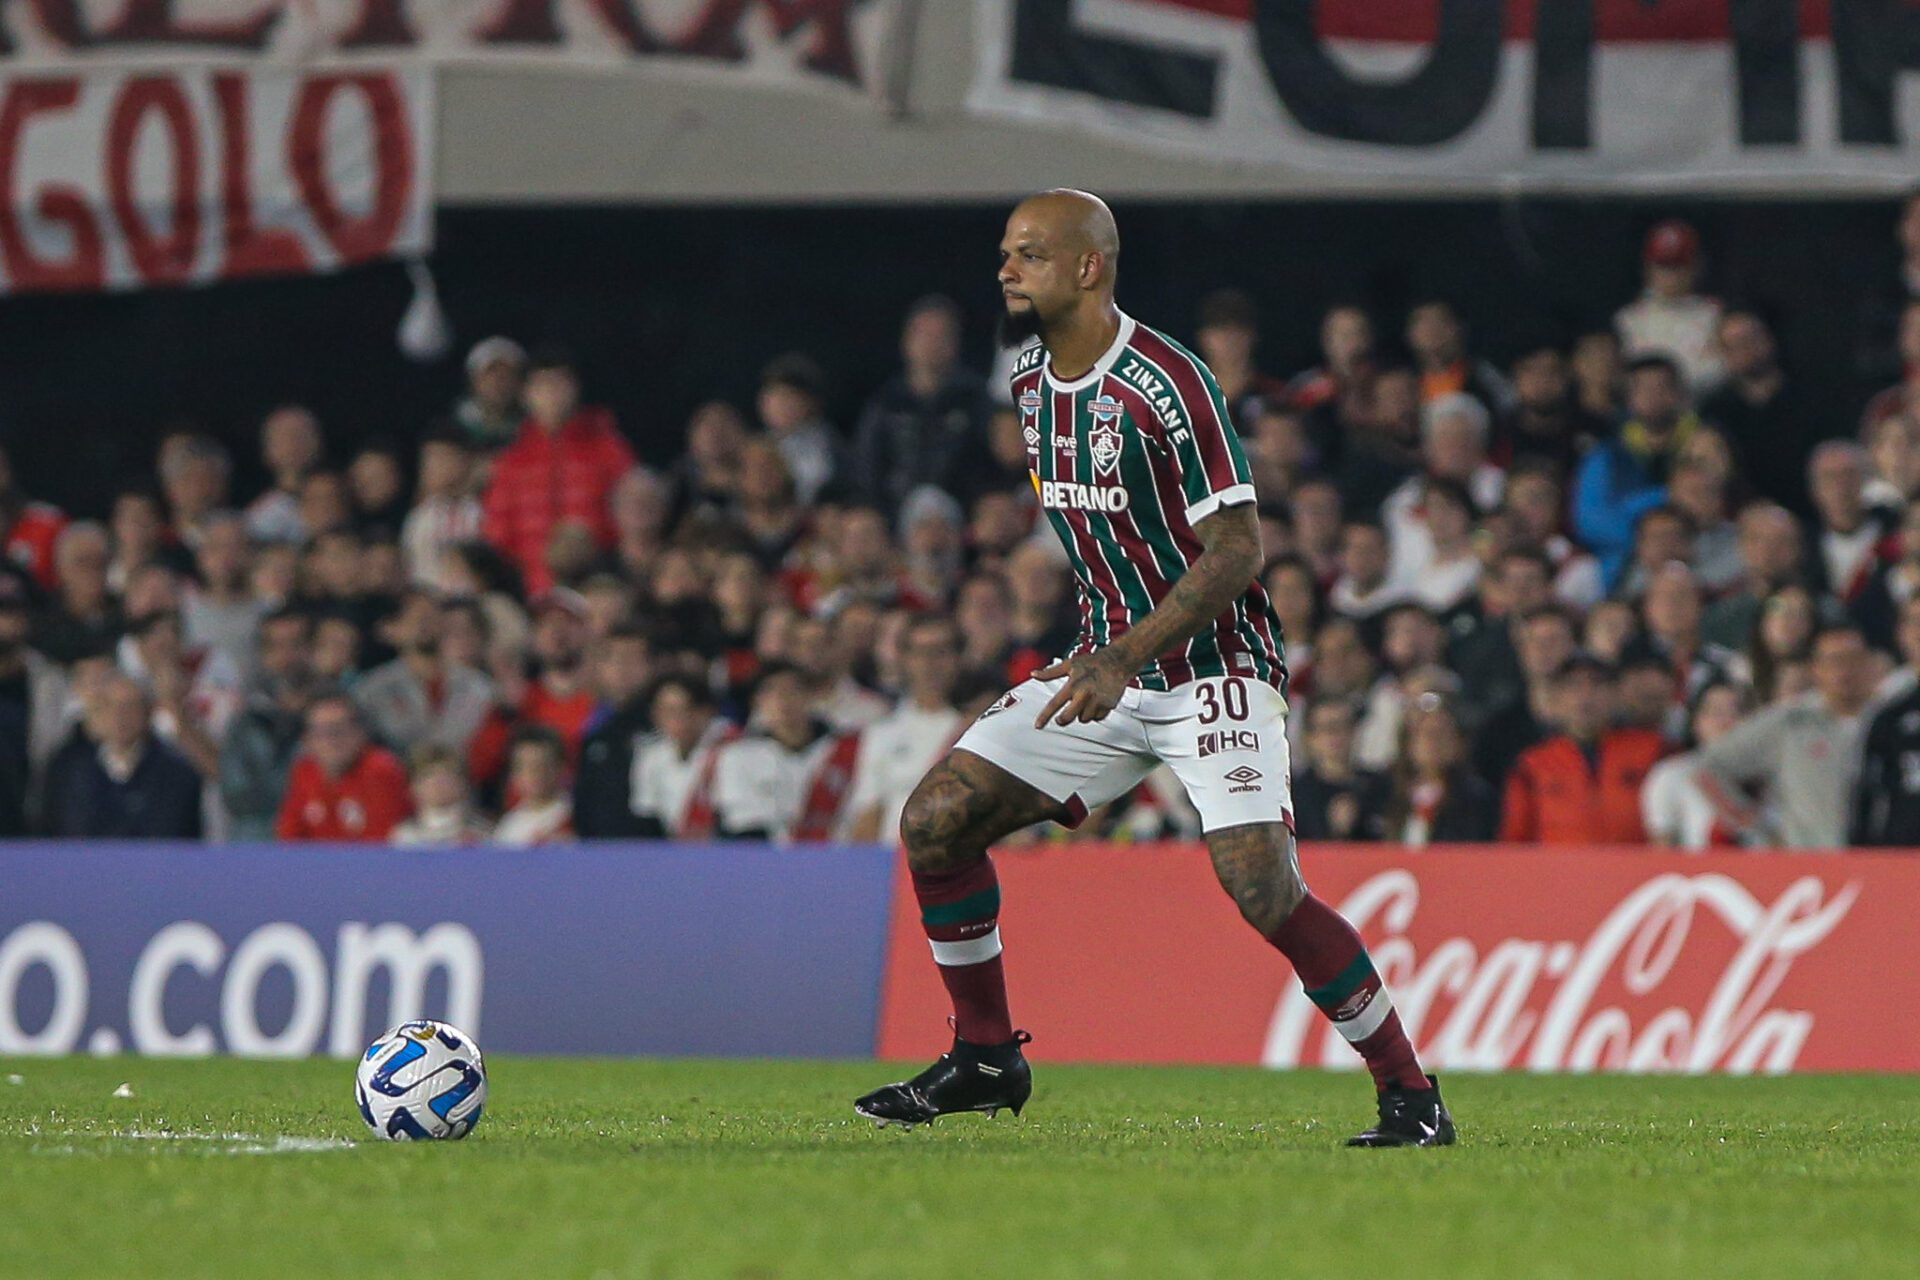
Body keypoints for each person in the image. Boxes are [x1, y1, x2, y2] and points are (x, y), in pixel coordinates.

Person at [856, 191, 1449, 1148]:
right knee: (935, 820)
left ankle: (1410, 1093)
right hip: (1105, 666)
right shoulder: (1027, 380)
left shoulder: (1169, 381)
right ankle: (986, 1054)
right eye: (1006, 253)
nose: (1006, 270)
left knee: (1261, 887)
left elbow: (1239, 550)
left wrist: (1126, 654)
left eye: (1031, 254)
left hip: (1215, 667)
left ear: (1089, 267)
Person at [1696, 624, 1876, 848]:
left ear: (1870, 664)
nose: (1844, 670)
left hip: (1887, 861)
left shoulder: (1894, 718)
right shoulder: (1790, 722)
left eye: (1852, 659)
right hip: (1811, 861)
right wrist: (1756, 828)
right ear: (1816, 668)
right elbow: (1708, 767)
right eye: (1833, 661)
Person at [481, 346, 635, 595]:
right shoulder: (512, 460)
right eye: (542, 385)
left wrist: (592, 550)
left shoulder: (609, 449)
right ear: (526, 394)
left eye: (560, 383)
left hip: (599, 582)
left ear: (576, 389)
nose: (552, 393)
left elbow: (630, 515)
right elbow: (497, 531)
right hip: (531, 589)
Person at [1500, 653, 1666, 845]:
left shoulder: (1654, 750)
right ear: (1556, 700)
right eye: (1573, 686)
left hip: (1638, 871)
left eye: (1597, 684)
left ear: (1616, 695)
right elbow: (1514, 841)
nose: (1585, 696)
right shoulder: (1531, 765)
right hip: (1559, 873)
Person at [853, 295, 995, 517]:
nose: (932, 345)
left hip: (960, 524)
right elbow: (868, 469)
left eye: (941, 336)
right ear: (907, 341)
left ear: (956, 343)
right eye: (925, 335)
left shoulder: (976, 401)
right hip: (896, 519)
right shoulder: (886, 403)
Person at [1574, 355, 1702, 589]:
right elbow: (1590, 521)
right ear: (1629, 398)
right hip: (1625, 570)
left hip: (1700, 562)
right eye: (1643, 389)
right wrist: (1666, 498)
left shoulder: (1706, 444)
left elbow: (1710, 513)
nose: (1653, 397)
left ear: (1680, 394)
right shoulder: (1608, 454)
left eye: (1662, 387)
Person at [708, 662, 860, 842]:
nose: (782, 700)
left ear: (810, 696)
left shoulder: (847, 749)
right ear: (757, 702)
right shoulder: (736, 756)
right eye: (771, 692)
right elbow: (743, 825)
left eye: (792, 691)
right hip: (766, 862)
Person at [846, 616, 965, 843]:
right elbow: (868, 814)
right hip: (895, 863)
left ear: (957, 659)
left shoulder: (975, 730)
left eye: (940, 651)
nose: (930, 662)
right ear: (905, 659)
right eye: (920, 652)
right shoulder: (881, 733)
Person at [46, 672, 202, 839]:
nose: (120, 717)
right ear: (96, 714)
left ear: (147, 713)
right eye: (110, 706)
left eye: (130, 707)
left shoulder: (177, 773)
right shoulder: (70, 770)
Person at [1698, 309, 1815, 517]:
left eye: (1750, 338)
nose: (1744, 349)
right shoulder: (1714, 411)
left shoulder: (1813, 398)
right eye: (1732, 344)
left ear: (1769, 339)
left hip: (1809, 516)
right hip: (1741, 525)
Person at [218, 607, 317, 841]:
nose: (287, 656)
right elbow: (236, 794)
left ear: (312, 649)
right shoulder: (246, 722)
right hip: (260, 844)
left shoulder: (339, 713)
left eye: (296, 644)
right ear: (263, 655)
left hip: (322, 842)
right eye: (276, 646)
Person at [275, 691, 412, 841]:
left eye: (339, 729)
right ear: (307, 739)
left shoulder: (381, 770)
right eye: (321, 731)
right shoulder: (304, 771)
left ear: (360, 733)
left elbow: (382, 844)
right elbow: (288, 838)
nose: (331, 740)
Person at [1613, 218, 1724, 395]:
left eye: (1678, 266)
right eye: (1663, 266)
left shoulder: (1715, 315)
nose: (1671, 275)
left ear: (1696, 267)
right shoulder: (1628, 318)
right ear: (1648, 268)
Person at [572, 624, 657, 839]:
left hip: (655, 855)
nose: (621, 668)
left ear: (652, 665)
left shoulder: (664, 726)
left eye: (632, 659)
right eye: (611, 658)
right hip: (599, 856)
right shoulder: (593, 729)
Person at [1641, 682, 1749, 850]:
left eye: (1736, 712)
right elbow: (1662, 851)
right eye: (1715, 712)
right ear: (1695, 722)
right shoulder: (1671, 775)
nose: (1726, 721)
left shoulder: (1774, 776)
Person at [1384, 694, 1498, 846]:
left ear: (1457, 743)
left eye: (1442, 734)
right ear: (1409, 742)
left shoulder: (1476, 798)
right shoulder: (1385, 791)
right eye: (1426, 734)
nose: (1433, 743)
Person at [631, 674, 733, 838]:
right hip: (670, 851)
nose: (674, 719)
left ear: (705, 711)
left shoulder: (729, 748)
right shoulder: (650, 755)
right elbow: (647, 814)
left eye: (683, 709)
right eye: (666, 711)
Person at [1853, 597, 1920, 845]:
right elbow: (1868, 794)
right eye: (1914, 621)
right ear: (1901, 633)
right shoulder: (1889, 712)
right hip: (1904, 861)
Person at [1290, 695, 1386, 842]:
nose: (1335, 735)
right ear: (1310, 738)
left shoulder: (1379, 786)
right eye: (1327, 727)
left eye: (1342, 725)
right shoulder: (1296, 793)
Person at [1191, 288, 1290, 431]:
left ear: (1253, 336)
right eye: (1219, 330)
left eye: (1237, 331)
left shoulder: (1276, 396)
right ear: (1202, 338)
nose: (1229, 340)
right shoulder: (1183, 398)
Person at [391, 743, 493, 846]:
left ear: (463, 783)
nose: (438, 782)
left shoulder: (483, 833)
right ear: (413, 787)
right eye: (428, 775)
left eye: (447, 774)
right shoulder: (404, 836)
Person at [493, 725, 575, 846]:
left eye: (542, 765)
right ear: (513, 774)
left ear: (561, 768)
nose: (534, 773)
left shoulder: (574, 816)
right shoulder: (508, 825)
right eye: (524, 766)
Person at [455, 336, 526, 452]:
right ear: (474, 381)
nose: (498, 383)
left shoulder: (531, 426)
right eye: (490, 374)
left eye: (507, 375)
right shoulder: (455, 424)